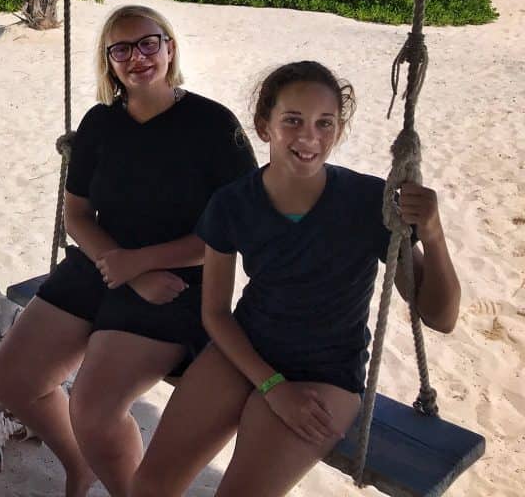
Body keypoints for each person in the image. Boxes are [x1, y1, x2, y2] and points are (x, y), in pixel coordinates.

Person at [130, 60, 462, 497]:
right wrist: (270, 385)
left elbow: (440, 316)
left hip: (325, 372)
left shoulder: (366, 203)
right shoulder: (233, 203)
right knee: (149, 485)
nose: (309, 137)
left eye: (325, 123)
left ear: (339, 130)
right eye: (293, 120)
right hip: (245, 351)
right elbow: (214, 313)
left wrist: (434, 235)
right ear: (264, 126)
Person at [0, 5, 256, 497]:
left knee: (92, 409)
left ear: (170, 48)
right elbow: (77, 217)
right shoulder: (99, 124)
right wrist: (128, 268)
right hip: (106, 262)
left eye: (148, 43)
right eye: (122, 50)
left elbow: (233, 236)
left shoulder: (214, 127)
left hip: (181, 279)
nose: (137, 58)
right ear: (109, 62)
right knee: (12, 378)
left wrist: (146, 264)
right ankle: (80, 465)